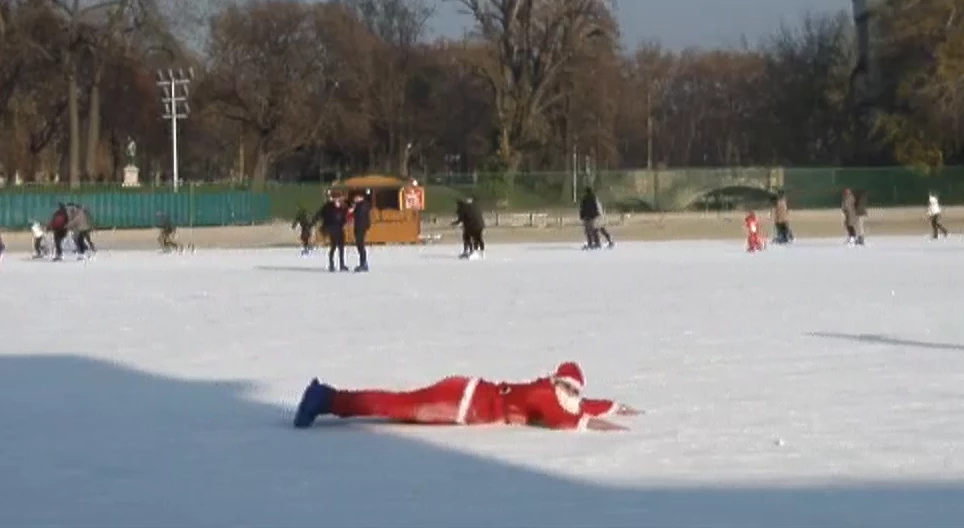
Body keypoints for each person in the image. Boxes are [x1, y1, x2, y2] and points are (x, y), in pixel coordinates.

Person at [293, 361, 641, 431]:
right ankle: (325, 398)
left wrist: (615, 407)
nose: (570, 394)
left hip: (466, 396)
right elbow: (566, 419)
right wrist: (602, 425)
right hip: (464, 401)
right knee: (394, 405)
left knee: (397, 406)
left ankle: (328, 399)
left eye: (574, 390)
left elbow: (579, 406)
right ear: (557, 382)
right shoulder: (542, 394)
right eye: (567, 387)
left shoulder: (555, 395)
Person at [315, 192, 349, 272]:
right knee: (333, 246)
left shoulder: (343, 207)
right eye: (336, 198)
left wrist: (344, 221)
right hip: (332, 227)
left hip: (339, 228)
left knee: (341, 247)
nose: (338, 199)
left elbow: (344, 217)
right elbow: (320, 215)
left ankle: (342, 264)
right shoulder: (328, 206)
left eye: (339, 198)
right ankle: (331, 264)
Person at [348, 191, 372, 272]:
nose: (354, 199)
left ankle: (363, 263)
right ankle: (363, 263)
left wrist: (353, 211)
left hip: (361, 226)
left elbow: (359, 214)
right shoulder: (361, 205)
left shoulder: (363, 205)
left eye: (356, 198)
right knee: (359, 245)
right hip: (359, 226)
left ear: (360, 198)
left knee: (360, 245)